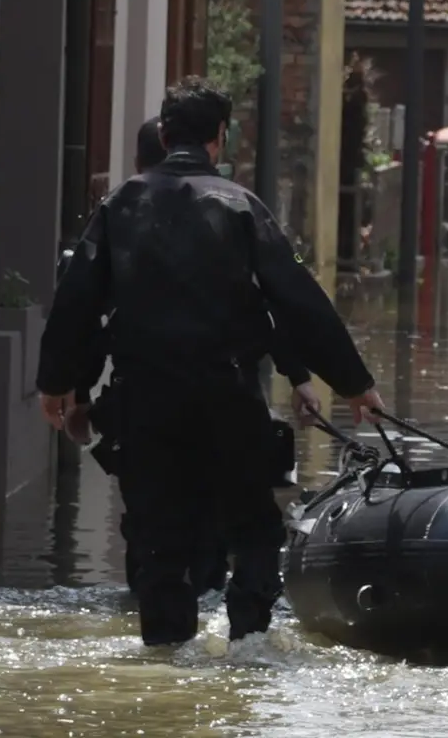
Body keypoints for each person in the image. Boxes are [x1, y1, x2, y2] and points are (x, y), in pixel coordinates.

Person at [38, 80, 380, 646]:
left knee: (157, 538)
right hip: (228, 395)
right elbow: (297, 297)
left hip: (146, 401)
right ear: (220, 139)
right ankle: (248, 644)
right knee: (252, 526)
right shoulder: (243, 207)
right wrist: (353, 382)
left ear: (165, 134)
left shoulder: (119, 205)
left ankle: (167, 656)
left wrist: (55, 383)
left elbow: (78, 300)